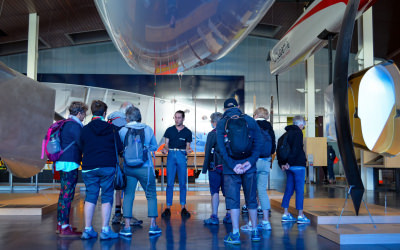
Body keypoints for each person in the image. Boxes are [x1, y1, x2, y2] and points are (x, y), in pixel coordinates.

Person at [216, 98, 263, 244]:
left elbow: (221, 149)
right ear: (238, 107)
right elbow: (259, 143)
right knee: (251, 198)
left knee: (233, 200)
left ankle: (235, 234)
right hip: (249, 166)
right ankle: (255, 231)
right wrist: (250, 162)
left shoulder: (222, 123)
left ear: (224, 109)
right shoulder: (249, 120)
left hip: (231, 169)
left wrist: (232, 165)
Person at [80, 100, 123, 240]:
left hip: (88, 167)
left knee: (90, 195)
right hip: (107, 166)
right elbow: (120, 148)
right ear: (105, 113)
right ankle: (105, 229)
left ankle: (87, 229)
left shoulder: (84, 129)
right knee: (106, 196)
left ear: (92, 112)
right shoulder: (112, 128)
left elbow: (80, 147)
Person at [118, 107, 162, 237]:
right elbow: (154, 147)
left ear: (127, 117)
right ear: (140, 116)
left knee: (128, 195)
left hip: (129, 168)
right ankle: (153, 226)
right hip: (145, 167)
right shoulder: (147, 129)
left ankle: (126, 227)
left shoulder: (123, 130)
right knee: (151, 195)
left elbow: (120, 149)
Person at [108, 102, 143, 226]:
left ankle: (117, 214)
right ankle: (127, 215)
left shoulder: (111, 120)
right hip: (123, 159)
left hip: (112, 159)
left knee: (118, 186)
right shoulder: (124, 124)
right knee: (127, 188)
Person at [56, 101, 87, 237]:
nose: (84, 117)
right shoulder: (75, 126)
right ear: (79, 113)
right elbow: (81, 143)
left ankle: (61, 224)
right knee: (68, 195)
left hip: (62, 162)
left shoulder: (65, 124)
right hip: (70, 163)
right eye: (84, 114)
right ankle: (64, 227)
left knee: (63, 194)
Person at [241, 107, 274, 232]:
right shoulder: (269, 127)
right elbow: (273, 146)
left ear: (255, 114)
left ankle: (251, 222)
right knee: (262, 191)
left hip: (253, 161)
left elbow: (248, 144)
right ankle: (266, 222)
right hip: (266, 161)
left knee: (251, 192)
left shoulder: (252, 124)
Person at [161, 110, 193, 218]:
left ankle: (183, 207)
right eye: (175, 117)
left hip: (181, 155)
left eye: (179, 117)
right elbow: (166, 144)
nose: (177, 119)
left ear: (183, 118)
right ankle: (168, 207)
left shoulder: (187, 132)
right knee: (169, 183)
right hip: (171, 155)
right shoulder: (169, 130)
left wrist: (188, 150)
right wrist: (165, 149)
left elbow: (187, 146)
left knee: (182, 183)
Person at [278, 115, 310, 224]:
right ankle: (300, 215)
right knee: (299, 190)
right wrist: (289, 162)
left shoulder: (285, 134)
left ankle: (285, 213)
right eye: (304, 124)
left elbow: (279, 148)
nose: (303, 126)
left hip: (289, 167)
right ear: (301, 124)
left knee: (289, 189)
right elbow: (296, 149)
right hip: (298, 166)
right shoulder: (298, 133)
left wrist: (283, 163)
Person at [202, 112, 231, 225]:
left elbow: (208, 151)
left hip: (214, 167)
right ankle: (228, 215)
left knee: (214, 192)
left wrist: (205, 168)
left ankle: (214, 216)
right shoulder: (228, 133)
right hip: (228, 167)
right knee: (228, 192)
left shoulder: (212, 134)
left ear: (214, 122)